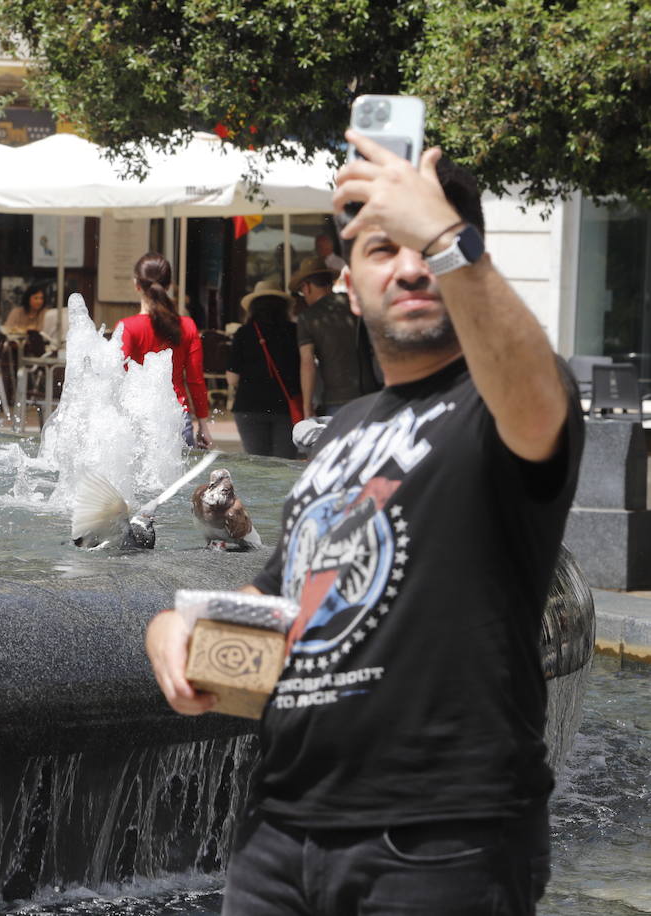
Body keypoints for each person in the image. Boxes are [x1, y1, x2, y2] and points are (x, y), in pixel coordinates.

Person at [145, 132, 584, 915]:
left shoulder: (502, 401)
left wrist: (443, 231)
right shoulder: (344, 431)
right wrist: (178, 632)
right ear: (349, 287)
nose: (412, 267)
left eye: (432, 244)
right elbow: (291, 595)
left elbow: (535, 393)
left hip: (440, 839)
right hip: (278, 836)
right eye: (384, 248)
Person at [116, 252, 213, 449]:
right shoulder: (187, 326)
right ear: (168, 286)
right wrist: (203, 424)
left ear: (136, 285)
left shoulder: (127, 328)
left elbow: (118, 377)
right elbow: (195, 379)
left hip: (136, 419)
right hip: (177, 417)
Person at [292, 256, 380, 418]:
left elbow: (307, 363)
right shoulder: (354, 304)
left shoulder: (307, 318)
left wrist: (307, 406)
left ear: (306, 287)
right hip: (370, 393)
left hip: (336, 399)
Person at [227, 280, 301, 458]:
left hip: (249, 406)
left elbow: (232, 378)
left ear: (253, 307)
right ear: (283, 306)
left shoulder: (243, 333)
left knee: (257, 464)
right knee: (284, 465)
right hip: (286, 407)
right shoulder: (295, 332)